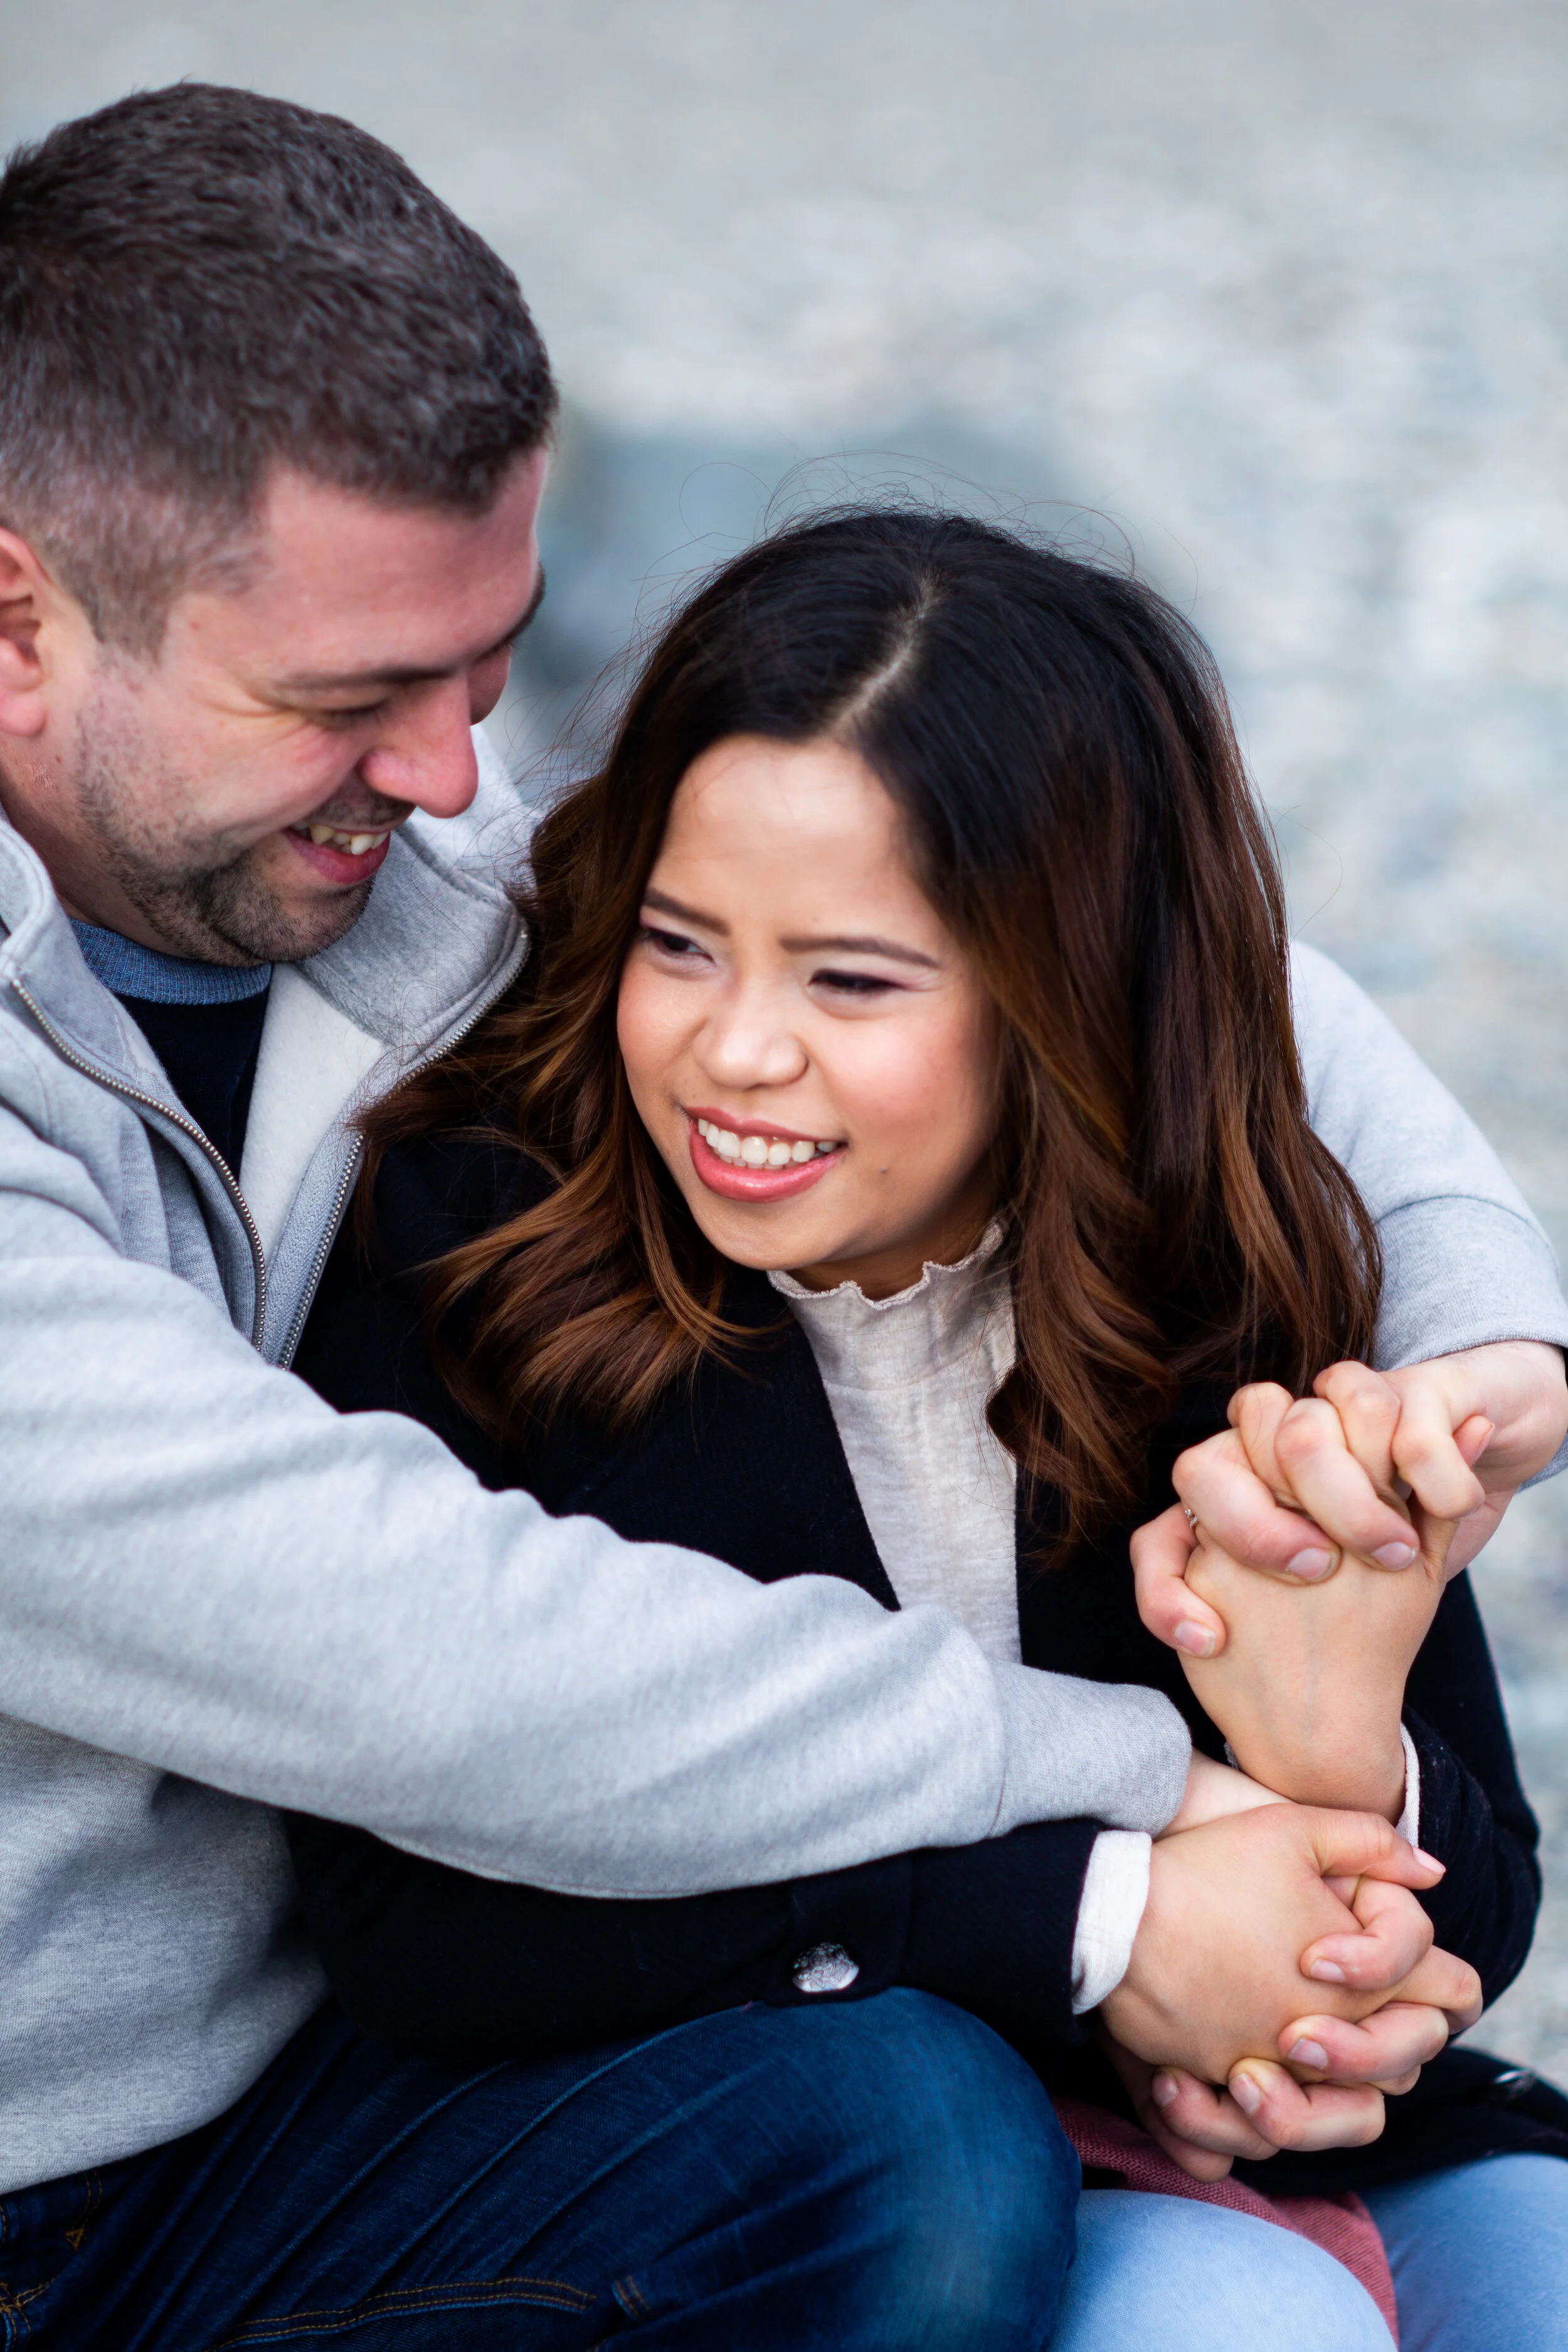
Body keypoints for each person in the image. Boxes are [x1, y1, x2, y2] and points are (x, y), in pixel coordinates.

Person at [0, 78, 1561, 2349]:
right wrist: (1168, 1830)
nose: (457, 778)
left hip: (298, 2131)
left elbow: (1128, 942)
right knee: (992, 2179)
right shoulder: (512, 1195)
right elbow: (425, 1656)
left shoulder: (400, 894)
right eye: (352, 694)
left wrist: (1476, 1353)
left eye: (489, 661)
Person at [291, 507, 1568, 2348]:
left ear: (1063, 995)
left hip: (1207, 2120)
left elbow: (1482, 1877)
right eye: (679, 942)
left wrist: (1333, 1854)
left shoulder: (1209, 1243)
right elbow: (414, 1913)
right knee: (1236, 2325)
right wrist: (1110, 1920)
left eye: (849, 977)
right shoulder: (478, 1238)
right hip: (787, 2134)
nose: (734, 1048)